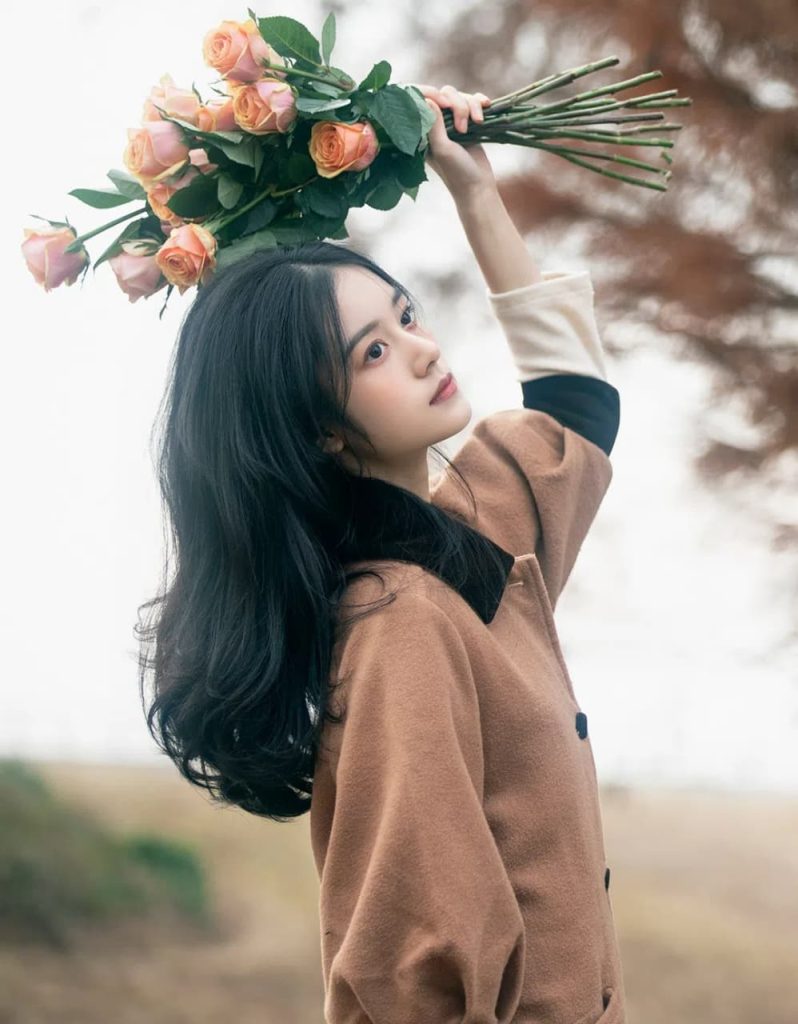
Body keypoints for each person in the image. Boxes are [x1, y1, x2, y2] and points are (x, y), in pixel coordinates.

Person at [137, 83, 625, 1023]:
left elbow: (577, 406)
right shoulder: (401, 625)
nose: (420, 348)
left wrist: (473, 189)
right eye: (372, 352)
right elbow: (416, 973)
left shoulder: (466, 535)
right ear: (319, 429)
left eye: (405, 316)